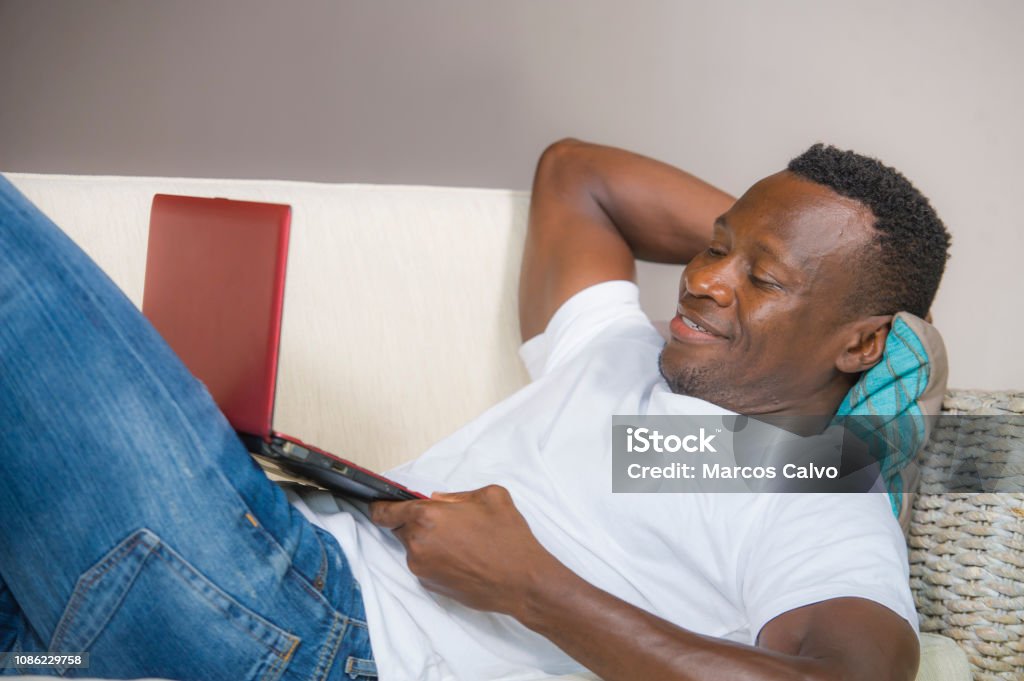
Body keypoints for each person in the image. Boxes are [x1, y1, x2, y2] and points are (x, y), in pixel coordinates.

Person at [0, 138, 951, 681]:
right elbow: (578, 174)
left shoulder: (816, 480)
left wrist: (532, 585)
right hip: (260, 560)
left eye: (759, 276)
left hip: (317, 640)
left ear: (860, 343)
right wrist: (777, 250)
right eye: (711, 246)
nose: (701, 282)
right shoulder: (625, 355)